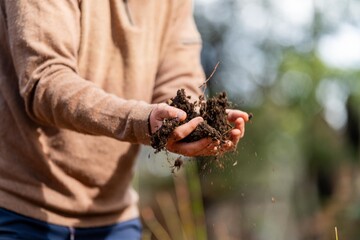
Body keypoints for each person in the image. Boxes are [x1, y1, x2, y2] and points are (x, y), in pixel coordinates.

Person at [0, 0, 249, 239]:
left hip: (115, 219)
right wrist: (141, 120)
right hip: (19, 210)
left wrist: (194, 121)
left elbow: (178, 76)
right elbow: (46, 82)